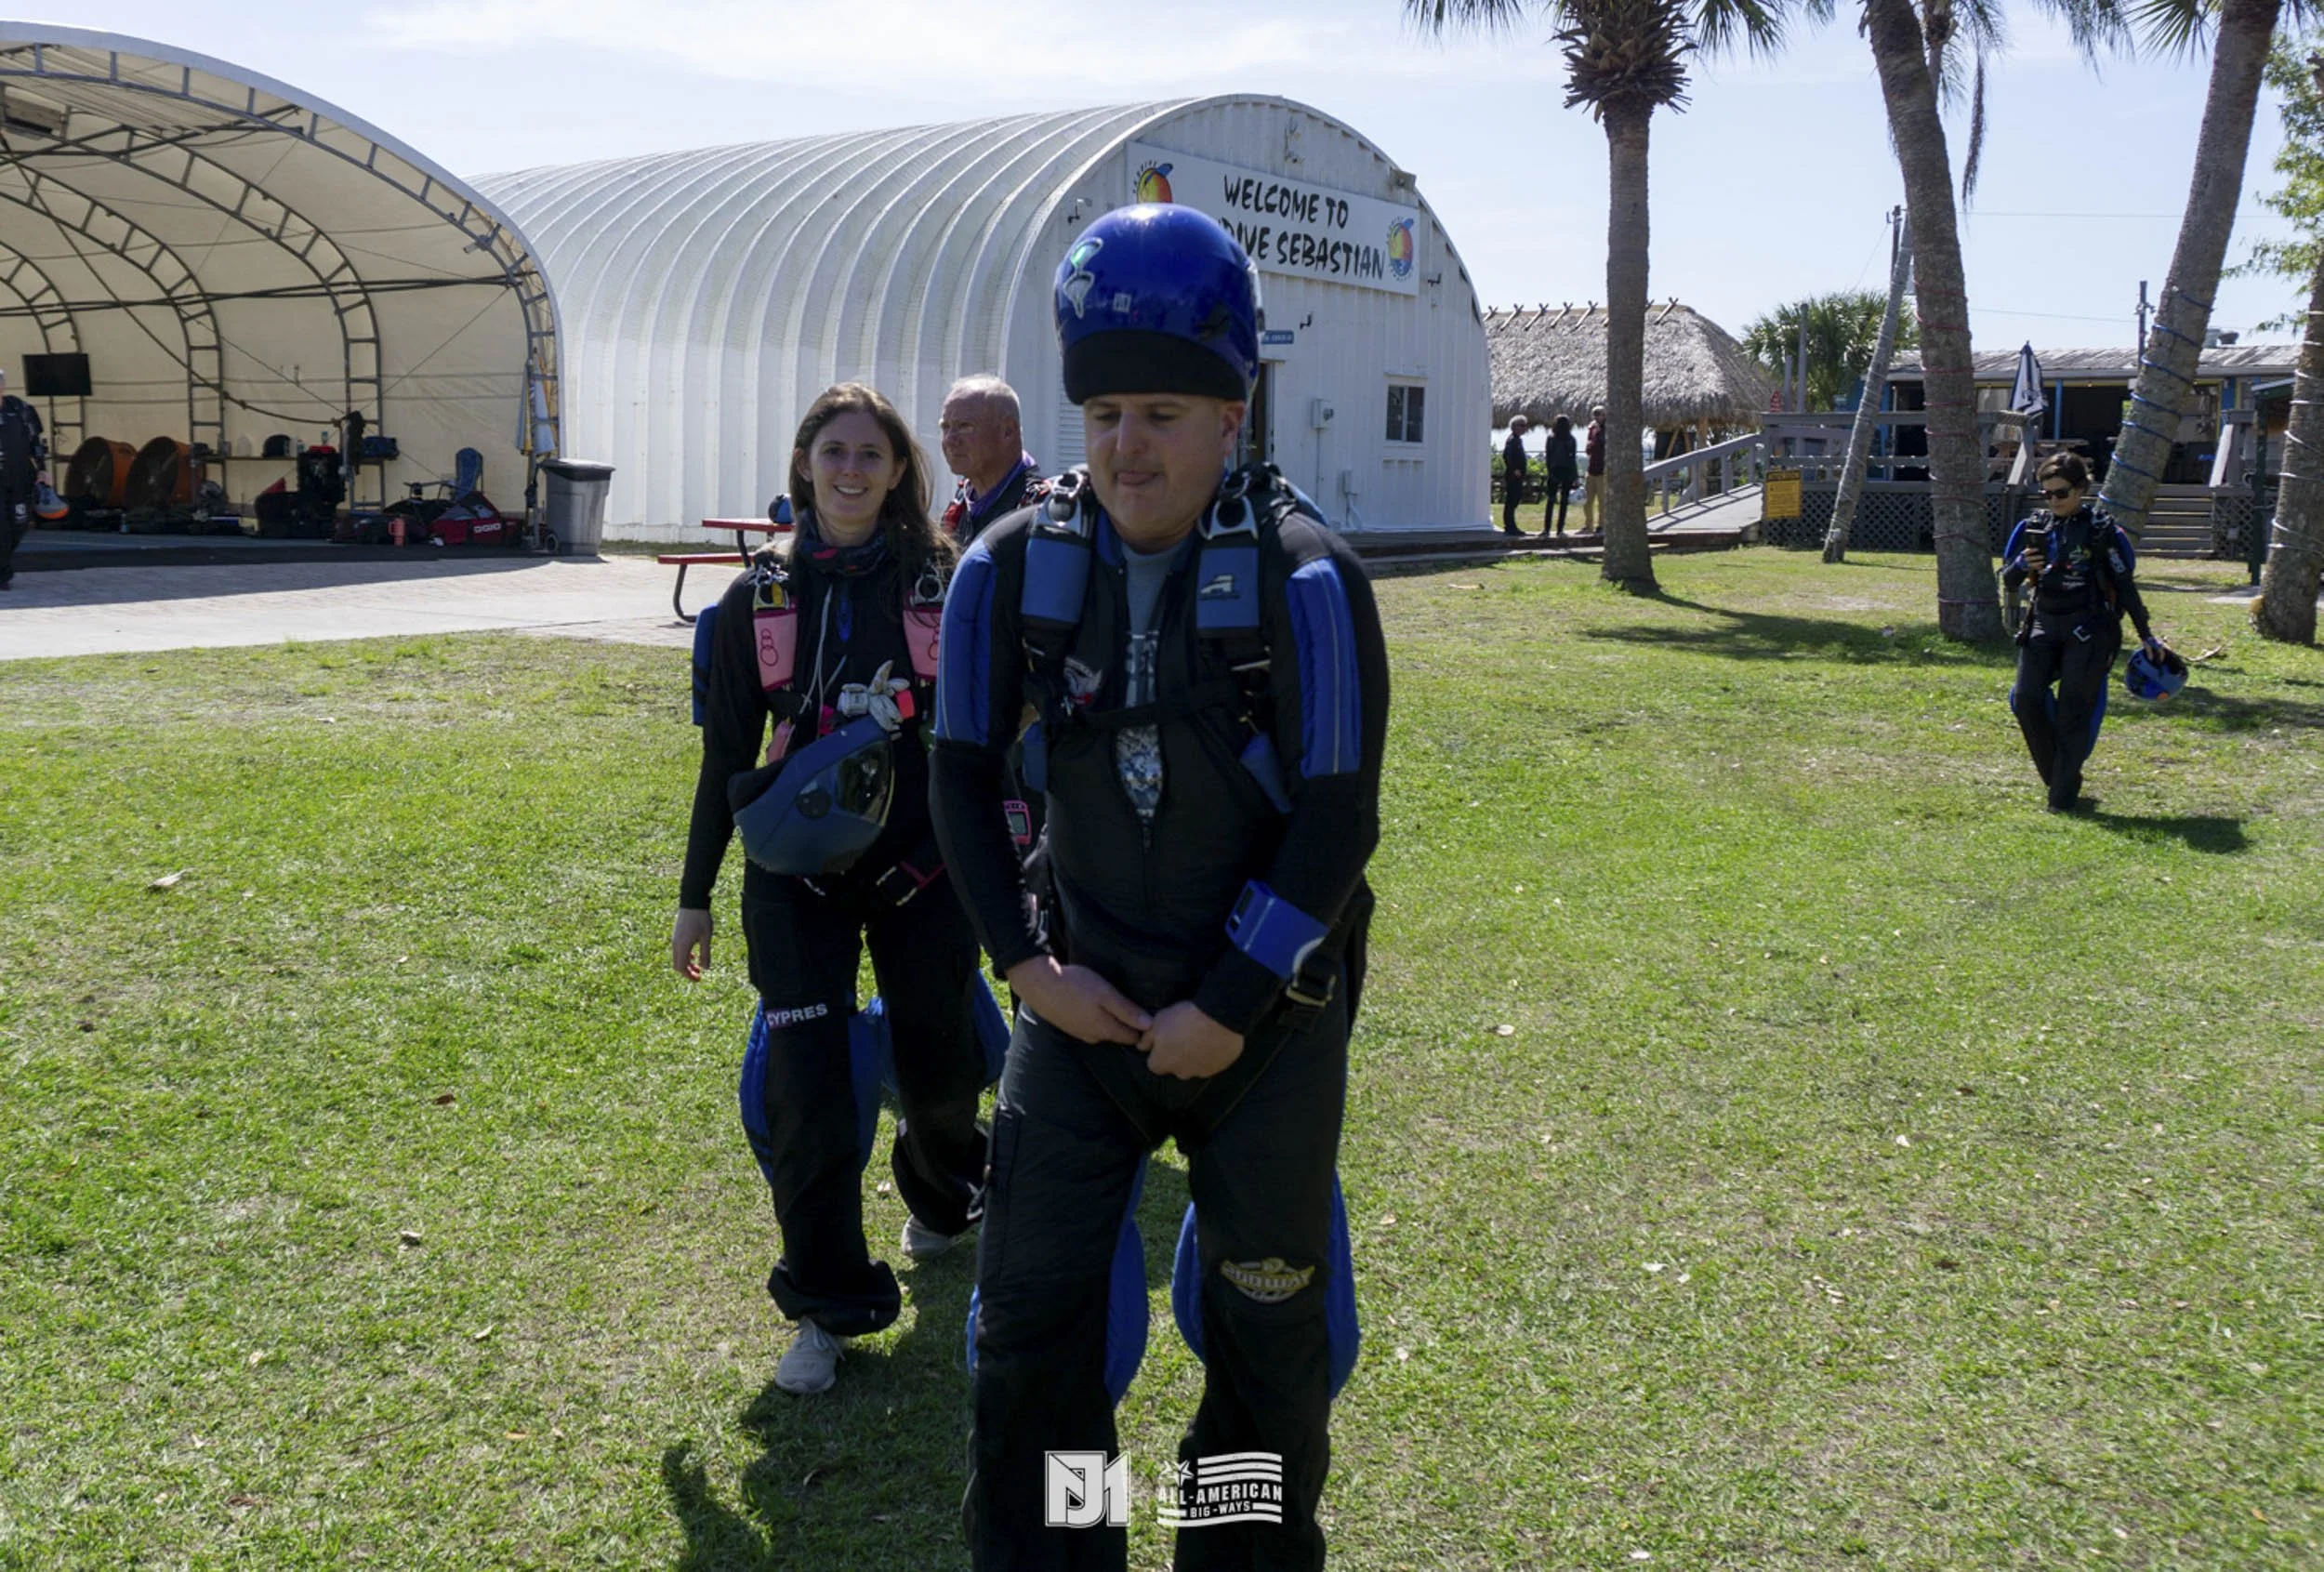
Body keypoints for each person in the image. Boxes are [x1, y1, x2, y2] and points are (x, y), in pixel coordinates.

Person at [931, 204, 1389, 1569]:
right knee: (1039, 1331)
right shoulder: (1006, 573)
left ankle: (1229, 1551)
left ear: (1235, 415)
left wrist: (1235, 1002)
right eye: (1110, 410)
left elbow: (1336, 818)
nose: (1131, 443)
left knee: (1264, 1340)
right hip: (1080, 1018)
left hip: (1266, 1032)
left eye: (1169, 412)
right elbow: (960, 777)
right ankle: (1074, 1543)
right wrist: (1028, 970)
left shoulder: (1310, 582)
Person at [671, 382, 991, 1396]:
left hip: (925, 870)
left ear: (900, 470)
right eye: (834, 451)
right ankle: (825, 1299)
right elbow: (727, 752)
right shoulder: (752, 600)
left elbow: (992, 743)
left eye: (872, 453)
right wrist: (694, 894)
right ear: (804, 463)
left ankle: (946, 1192)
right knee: (806, 1093)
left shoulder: (947, 584)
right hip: (793, 877)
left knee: (940, 1074)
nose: (851, 469)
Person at [2000, 453, 2165, 812]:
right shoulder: (2033, 527)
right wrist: (2020, 565)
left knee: (2074, 712)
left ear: (2082, 489)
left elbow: (2125, 585)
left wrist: (2146, 635)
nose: (2054, 501)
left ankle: (2060, 801)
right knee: (2026, 698)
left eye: (2061, 493)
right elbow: (2008, 579)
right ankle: (2064, 777)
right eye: (2047, 494)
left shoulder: (2103, 531)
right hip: (2043, 623)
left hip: (2089, 629)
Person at [941, 375, 1048, 547]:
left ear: (1008, 431)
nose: (950, 440)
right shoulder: (961, 501)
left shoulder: (1040, 507)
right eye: (945, 427)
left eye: (965, 426)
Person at [0, 368, 49, 590]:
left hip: (19, 479)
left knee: (18, 525)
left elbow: (35, 442)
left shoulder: (20, 409)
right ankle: (3, 574)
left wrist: (42, 469)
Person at [1542, 414, 1578, 538]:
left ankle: (1546, 529)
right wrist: (1575, 475)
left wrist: (1549, 471)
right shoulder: (1571, 439)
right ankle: (1560, 529)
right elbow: (1573, 458)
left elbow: (1548, 457)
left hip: (1554, 470)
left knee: (1551, 501)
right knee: (1564, 501)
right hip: (1567, 471)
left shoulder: (1551, 438)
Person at [1499, 416, 1530, 535]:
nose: (1524, 428)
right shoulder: (1513, 439)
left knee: (1514, 500)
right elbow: (1507, 455)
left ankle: (1511, 525)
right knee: (1511, 500)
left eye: (1525, 425)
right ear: (1514, 427)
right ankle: (1510, 526)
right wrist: (1514, 469)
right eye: (1522, 425)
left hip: (1517, 475)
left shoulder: (1517, 439)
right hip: (1513, 475)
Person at [1581, 403, 1606, 535]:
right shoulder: (1592, 428)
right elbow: (1588, 449)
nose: (1598, 417)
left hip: (1603, 470)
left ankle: (1602, 525)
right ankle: (1588, 525)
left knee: (1602, 501)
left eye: (1600, 414)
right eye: (1595, 414)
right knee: (1587, 501)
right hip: (1591, 469)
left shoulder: (1608, 429)